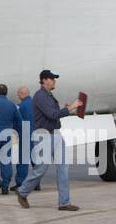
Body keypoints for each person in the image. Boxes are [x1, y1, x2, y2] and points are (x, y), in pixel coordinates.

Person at [16, 70, 82, 211]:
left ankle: (64, 202)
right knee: (41, 169)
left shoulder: (49, 96)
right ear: (44, 80)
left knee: (63, 168)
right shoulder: (40, 96)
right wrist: (70, 107)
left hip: (56, 135)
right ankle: (22, 192)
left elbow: (55, 114)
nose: (54, 81)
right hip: (43, 136)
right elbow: (52, 115)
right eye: (52, 79)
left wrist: (66, 108)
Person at [13, 85, 33, 190]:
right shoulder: (36, 104)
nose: (18, 96)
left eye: (18, 94)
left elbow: (16, 121)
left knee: (23, 161)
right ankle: (36, 183)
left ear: (21, 94)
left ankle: (21, 183)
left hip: (25, 133)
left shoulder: (20, 106)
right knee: (36, 161)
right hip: (38, 133)